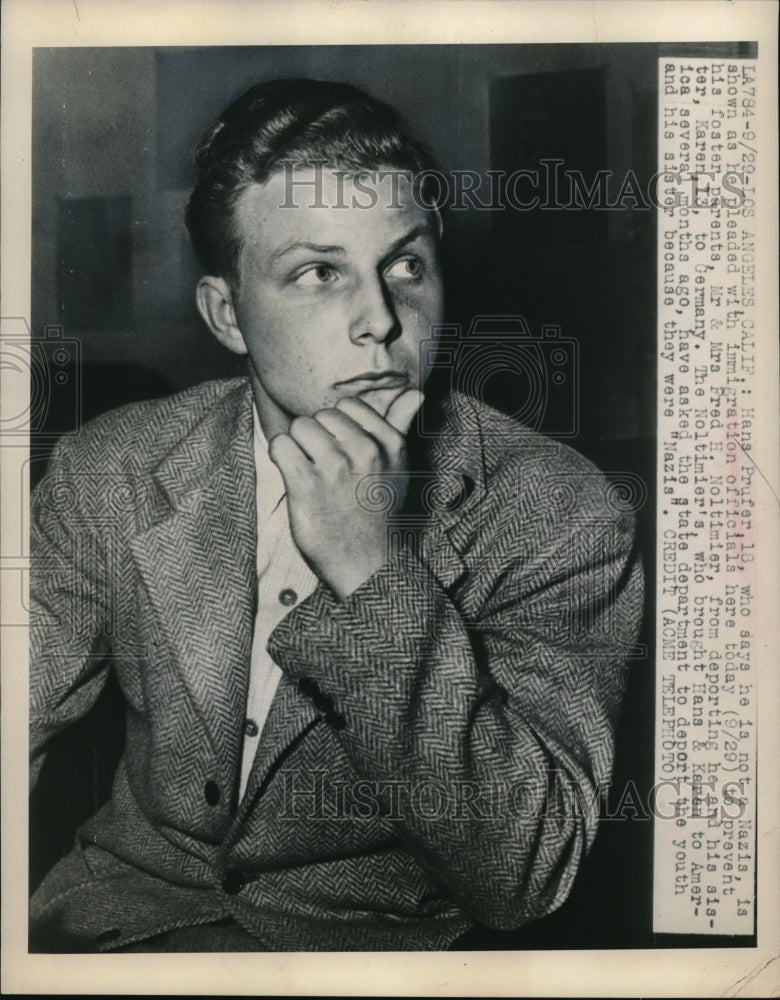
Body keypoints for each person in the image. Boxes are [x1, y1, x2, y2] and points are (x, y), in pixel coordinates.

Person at [29, 78, 643, 952]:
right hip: (113, 934)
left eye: (405, 264)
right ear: (225, 313)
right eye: (320, 273)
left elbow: (526, 870)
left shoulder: (560, 510)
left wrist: (374, 578)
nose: (382, 321)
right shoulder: (111, 467)